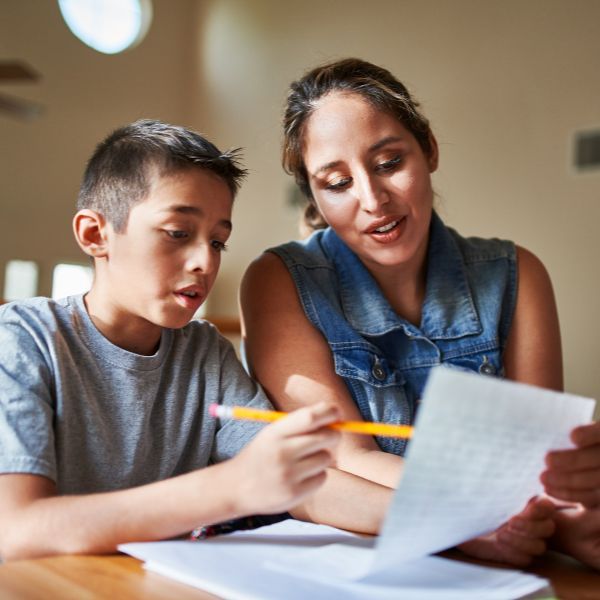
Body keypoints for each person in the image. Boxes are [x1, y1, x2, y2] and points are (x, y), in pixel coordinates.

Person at [240, 58, 563, 567]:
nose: (373, 200)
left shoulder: (518, 275)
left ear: (429, 148)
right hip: (358, 559)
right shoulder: (279, 281)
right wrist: (470, 515)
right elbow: (344, 455)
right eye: (337, 183)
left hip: (504, 549)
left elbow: (538, 460)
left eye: (389, 163)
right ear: (315, 196)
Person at [0, 119, 340, 561]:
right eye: (178, 233)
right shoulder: (22, 340)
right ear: (95, 235)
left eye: (218, 242)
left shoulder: (206, 354)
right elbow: (15, 528)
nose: (204, 261)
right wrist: (230, 488)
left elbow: (304, 484)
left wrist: (451, 523)